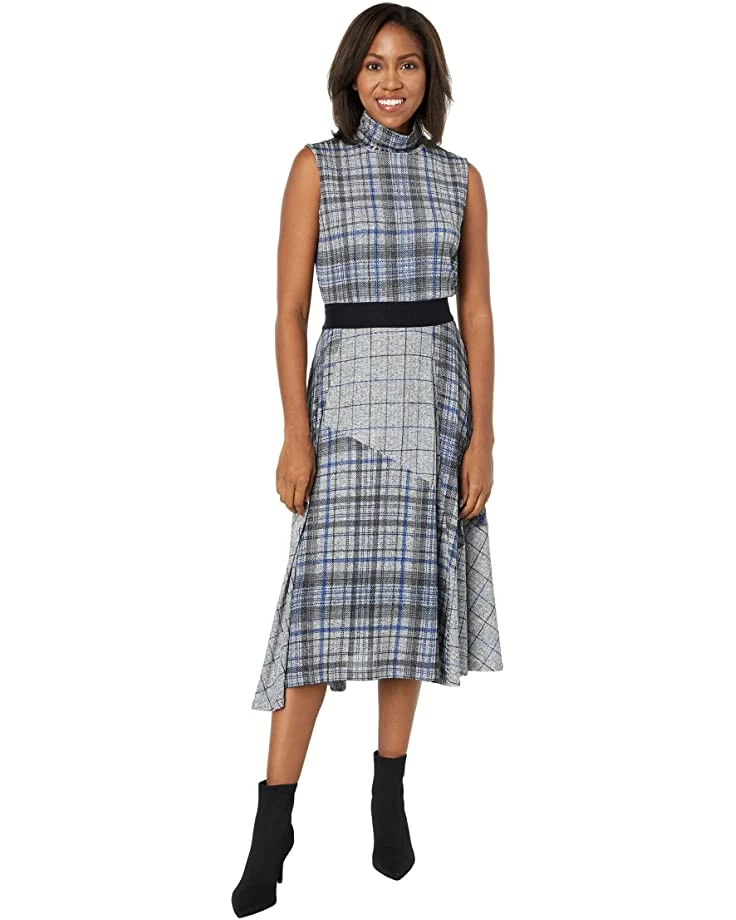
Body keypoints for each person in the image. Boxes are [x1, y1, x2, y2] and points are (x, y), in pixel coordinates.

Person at [231, 4, 503, 915]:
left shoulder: (460, 178)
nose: (392, 81)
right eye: (377, 64)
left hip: (434, 405)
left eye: (410, 65)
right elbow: (287, 312)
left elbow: (477, 312)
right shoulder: (317, 166)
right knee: (315, 616)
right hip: (344, 405)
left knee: (408, 610)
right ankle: (272, 828)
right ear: (353, 75)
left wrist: (483, 436)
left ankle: (389, 792)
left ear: (432, 78)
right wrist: (293, 432)